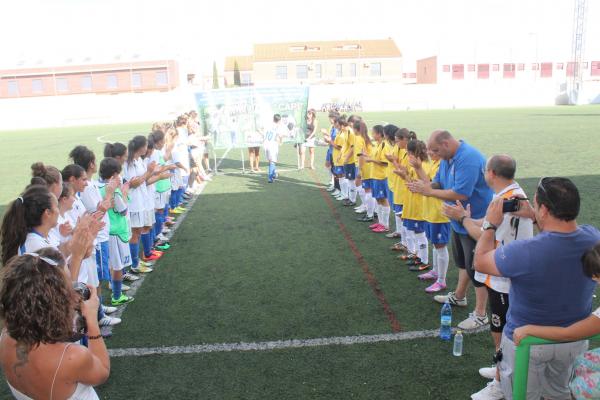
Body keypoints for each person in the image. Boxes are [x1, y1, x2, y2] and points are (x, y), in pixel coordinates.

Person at [473, 177, 600, 400]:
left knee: (522, 395)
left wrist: (490, 224)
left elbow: (481, 262)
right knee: (559, 394)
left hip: (525, 341)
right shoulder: (594, 238)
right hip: (574, 339)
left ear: (544, 209)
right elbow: (560, 241)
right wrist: (534, 215)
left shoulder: (523, 251)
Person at [444, 155, 534, 399]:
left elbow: (484, 234)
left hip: (506, 278)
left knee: (502, 330)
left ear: (491, 173)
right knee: (499, 328)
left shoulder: (508, 199)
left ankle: (501, 383)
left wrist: (462, 219)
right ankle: (499, 370)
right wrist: (465, 216)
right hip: (503, 273)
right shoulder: (507, 195)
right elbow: (485, 223)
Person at [407, 130, 493, 329]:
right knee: (463, 263)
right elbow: (439, 181)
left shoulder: (469, 158)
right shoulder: (448, 157)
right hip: (458, 219)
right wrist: (426, 186)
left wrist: (429, 191)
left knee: (477, 268)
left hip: (474, 221)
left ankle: (481, 314)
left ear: (446, 143)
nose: (433, 154)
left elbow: (461, 193)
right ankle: (460, 296)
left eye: (435, 150)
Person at [0, 247, 109, 400]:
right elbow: (102, 372)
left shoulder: (5, 337)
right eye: (67, 288)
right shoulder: (73, 356)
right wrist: (91, 321)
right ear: (54, 302)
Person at [98, 157, 135, 306]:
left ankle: (115, 288)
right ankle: (117, 295)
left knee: (114, 264)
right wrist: (124, 192)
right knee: (118, 266)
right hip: (117, 232)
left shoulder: (99, 188)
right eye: (118, 174)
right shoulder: (115, 192)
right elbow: (123, 210)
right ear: (114, 175)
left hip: (108, 232)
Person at [362, 124, 390, 232]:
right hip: (375, 176)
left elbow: (385, 162)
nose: (372, 135)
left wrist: (371, 160)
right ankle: (380, 223)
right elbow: (375, 159)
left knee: (383, 199)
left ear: (379, 134)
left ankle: (385, 225)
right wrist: (366, 157)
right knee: (378, 199)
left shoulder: (384, 145)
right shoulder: (378, 145)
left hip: (381, 177)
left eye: (373, 133)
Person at [263, 114, 284, 183]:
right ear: (279, 120)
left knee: (271, 161)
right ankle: (270, 178)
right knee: (273, 161)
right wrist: (281, 141)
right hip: (272, 146)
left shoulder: (268, 125)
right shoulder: (278, 127)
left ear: (273, 119)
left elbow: (263, 132)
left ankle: (274, 174)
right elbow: (279, 136)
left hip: (265, 145)